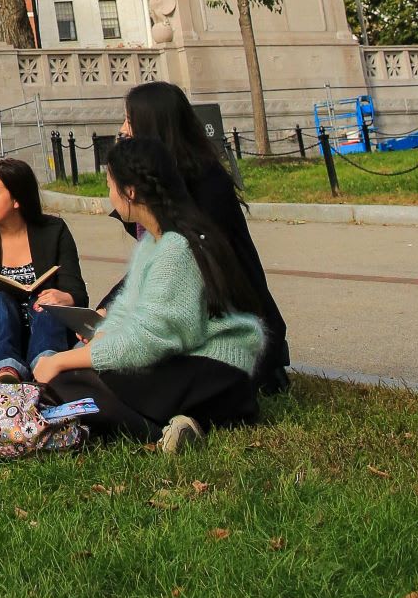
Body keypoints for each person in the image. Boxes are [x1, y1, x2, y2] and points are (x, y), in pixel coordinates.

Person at [33, 134, 267, 449]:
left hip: (213, 368)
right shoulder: (155, 243)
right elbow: (127, 311)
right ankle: (179, 424)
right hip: (183, 358)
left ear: (130, 191)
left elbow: (148, 338)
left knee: (79, 381)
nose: (109, 195)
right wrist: (100, 337)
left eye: (110, 185)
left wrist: (63, 360)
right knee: (79, 380)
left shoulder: (176, 250)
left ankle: (163, 430)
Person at [121, 80, 290, 390]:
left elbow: (181, 267)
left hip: (224, 323)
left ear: (151, 127)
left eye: (130, 121)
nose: (123, 130)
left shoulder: (206, 184)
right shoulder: (157, 184)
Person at [0, 157, 88, 382]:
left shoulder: (54, 230)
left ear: (17, 199)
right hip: (1, 335)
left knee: (45, 302)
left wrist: (65, 297)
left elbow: (77, 292)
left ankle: (46, 366)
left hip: (48, 330)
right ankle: (6, 371)